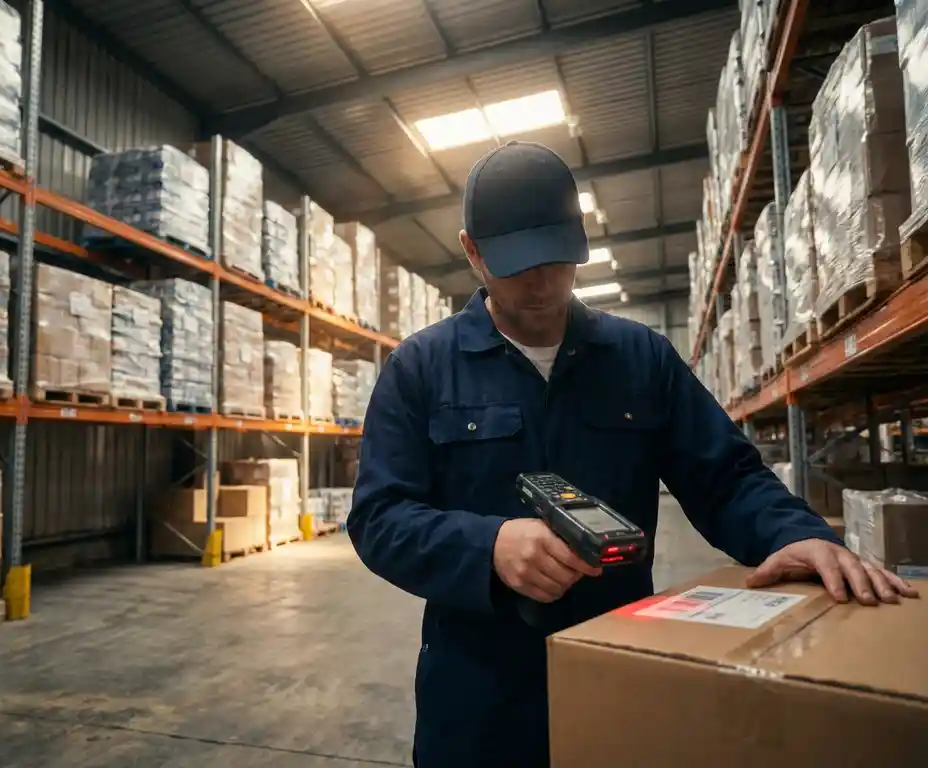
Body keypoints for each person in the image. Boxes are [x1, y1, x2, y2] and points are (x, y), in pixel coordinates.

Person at [347, 141, 917, 768]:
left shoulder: (639, 358)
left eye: (557, 258)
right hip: (478, 690)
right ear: (473, 251)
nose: (540, 281)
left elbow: (723, 474)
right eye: (516, 264)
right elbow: (380, 516)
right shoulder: (421, 369)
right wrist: (487, 547)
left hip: (618, 660)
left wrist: (794, 533)